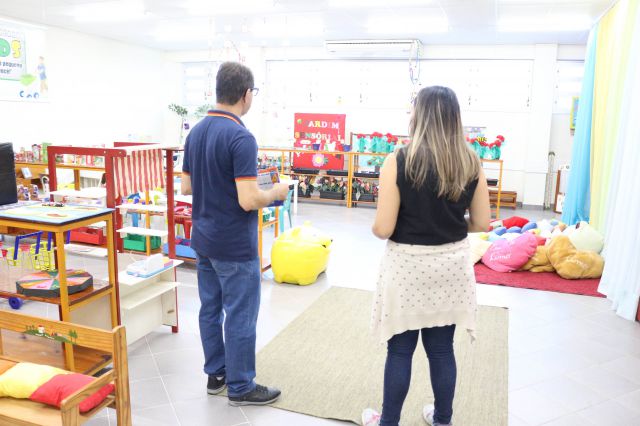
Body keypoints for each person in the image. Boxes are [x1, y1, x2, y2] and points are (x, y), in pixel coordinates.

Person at [362, 86, 490, 426]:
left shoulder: (398, 160)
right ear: (454, 118)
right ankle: (443, 419)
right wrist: (447, 222)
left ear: (418, 116)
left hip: (407, 266)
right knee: (442, 350)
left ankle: (388, 421)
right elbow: (482, 222)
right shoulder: (470, 161)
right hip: (451, 266)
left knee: (400, 350)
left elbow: (383, 228)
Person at [180, 62, 289, 407]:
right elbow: (248, 200)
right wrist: (276, 192)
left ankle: (216, 375)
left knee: (210, 310)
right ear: (246, 94)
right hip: (234, 245)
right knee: (241, 313)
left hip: (203, 240)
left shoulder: (196, 132)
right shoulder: (241, 137)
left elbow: (186, 186)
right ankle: (241, 386)